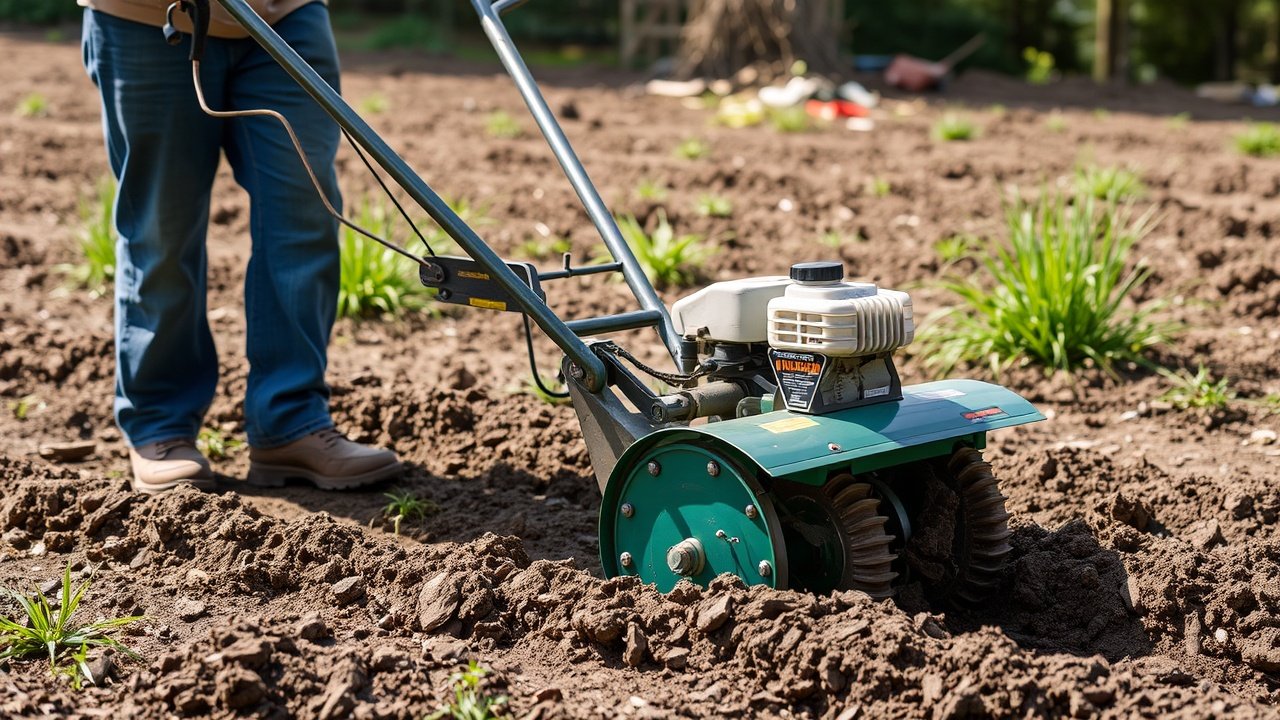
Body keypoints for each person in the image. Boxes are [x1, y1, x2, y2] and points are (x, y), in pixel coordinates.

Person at [79, 0, 403, 494]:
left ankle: (289, 421)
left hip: (286, 15)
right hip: (146, 17)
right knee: (161, 226)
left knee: (303, 213)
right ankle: (161, 423)